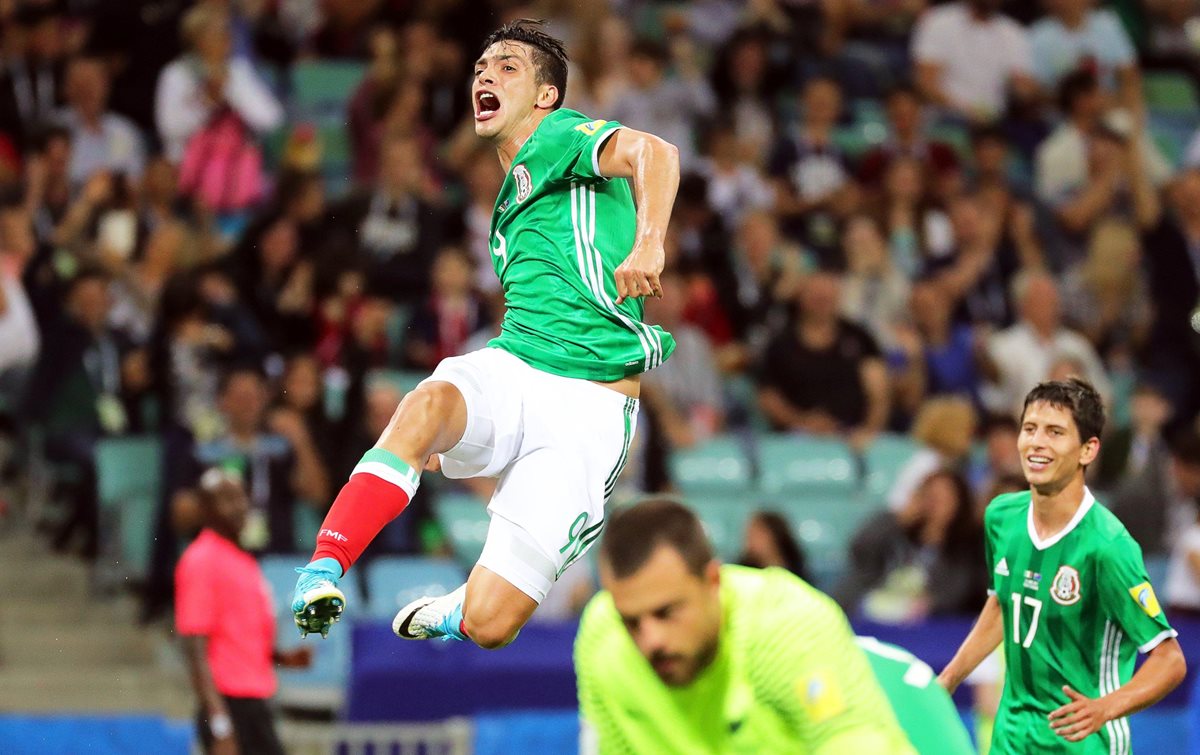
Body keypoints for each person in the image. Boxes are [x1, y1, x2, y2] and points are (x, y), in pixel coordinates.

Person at [291, 20, 679, 649]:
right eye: (479, 68)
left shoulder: (559, 136)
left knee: (491, 626)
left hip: (589, 409)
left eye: (506, 67)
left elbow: (656, 153)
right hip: (518, 365)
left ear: (545, 95)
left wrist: (649, 243)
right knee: (424, 406)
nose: (484, 76)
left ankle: (459, 608)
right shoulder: (509, 201)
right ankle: (322, 570)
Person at [938, 378, 1187, 752]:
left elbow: (1170, 660)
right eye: (1030, 429)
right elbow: (1004, 603)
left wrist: (1104, 709)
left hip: (1083, 743)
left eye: (1055, 432)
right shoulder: (1001, 517)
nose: (1037, 442)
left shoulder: (1108, 546)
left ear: (1088, 450)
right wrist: (949, 679)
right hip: (1011, 736)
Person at [574, 499, 916, 753]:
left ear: (712, 580)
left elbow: (851, 740)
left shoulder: (787, 626)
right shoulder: (602, 636)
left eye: (666, 612)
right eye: (632, 621)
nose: (651, 640)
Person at [177, 469, 312, 755]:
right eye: (226, 499)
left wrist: (282, 658)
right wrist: (221, 725)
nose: (239, 506)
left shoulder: (242, 560)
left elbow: (240, 639)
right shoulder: (201, 560)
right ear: (205, 508)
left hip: (254, 701)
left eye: (241, 497)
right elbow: (195, 648)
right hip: (229, 704)